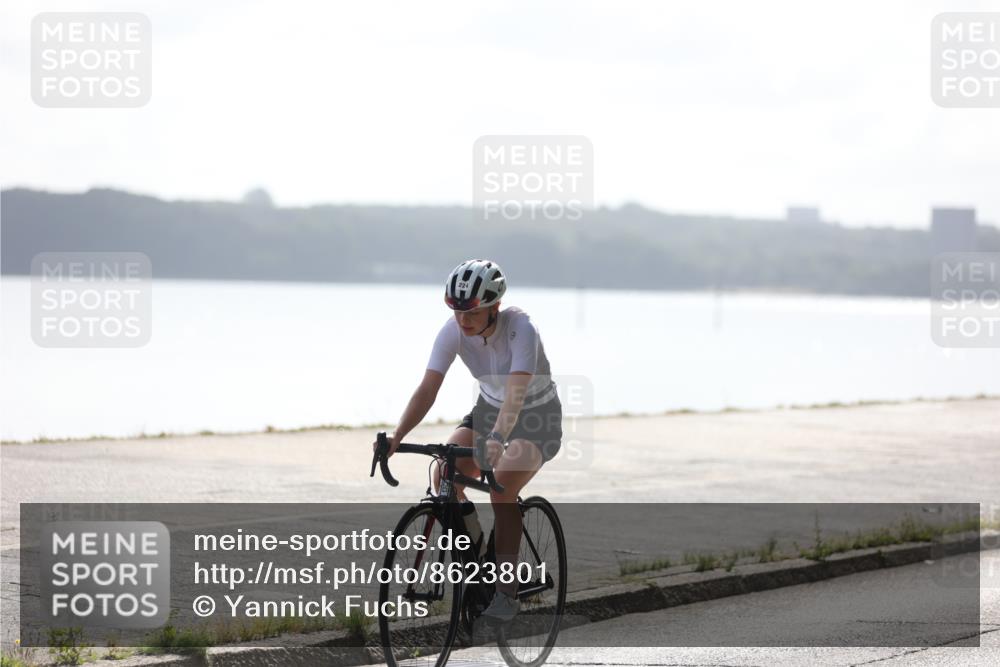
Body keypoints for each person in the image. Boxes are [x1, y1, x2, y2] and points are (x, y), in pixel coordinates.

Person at [372, 258, 562, 624]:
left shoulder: (521, 328)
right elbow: (428, 388)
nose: (463, 319)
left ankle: (506, 593)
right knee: (444, 472)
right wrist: (398, 436)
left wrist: (498, 439)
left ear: (495, 306)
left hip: (537, 416)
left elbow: (517, 395)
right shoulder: (453, 331)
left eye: (472, 310)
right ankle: (473, 550)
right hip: (489, 409)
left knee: (501, 487)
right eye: (456, 309)